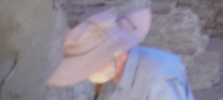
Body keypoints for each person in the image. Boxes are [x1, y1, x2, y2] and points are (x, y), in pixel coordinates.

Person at [47, 8, 193, 99]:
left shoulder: (157, 76)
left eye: (92, 63)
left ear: (118, 54)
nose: (88, 71)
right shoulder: (112, 74)